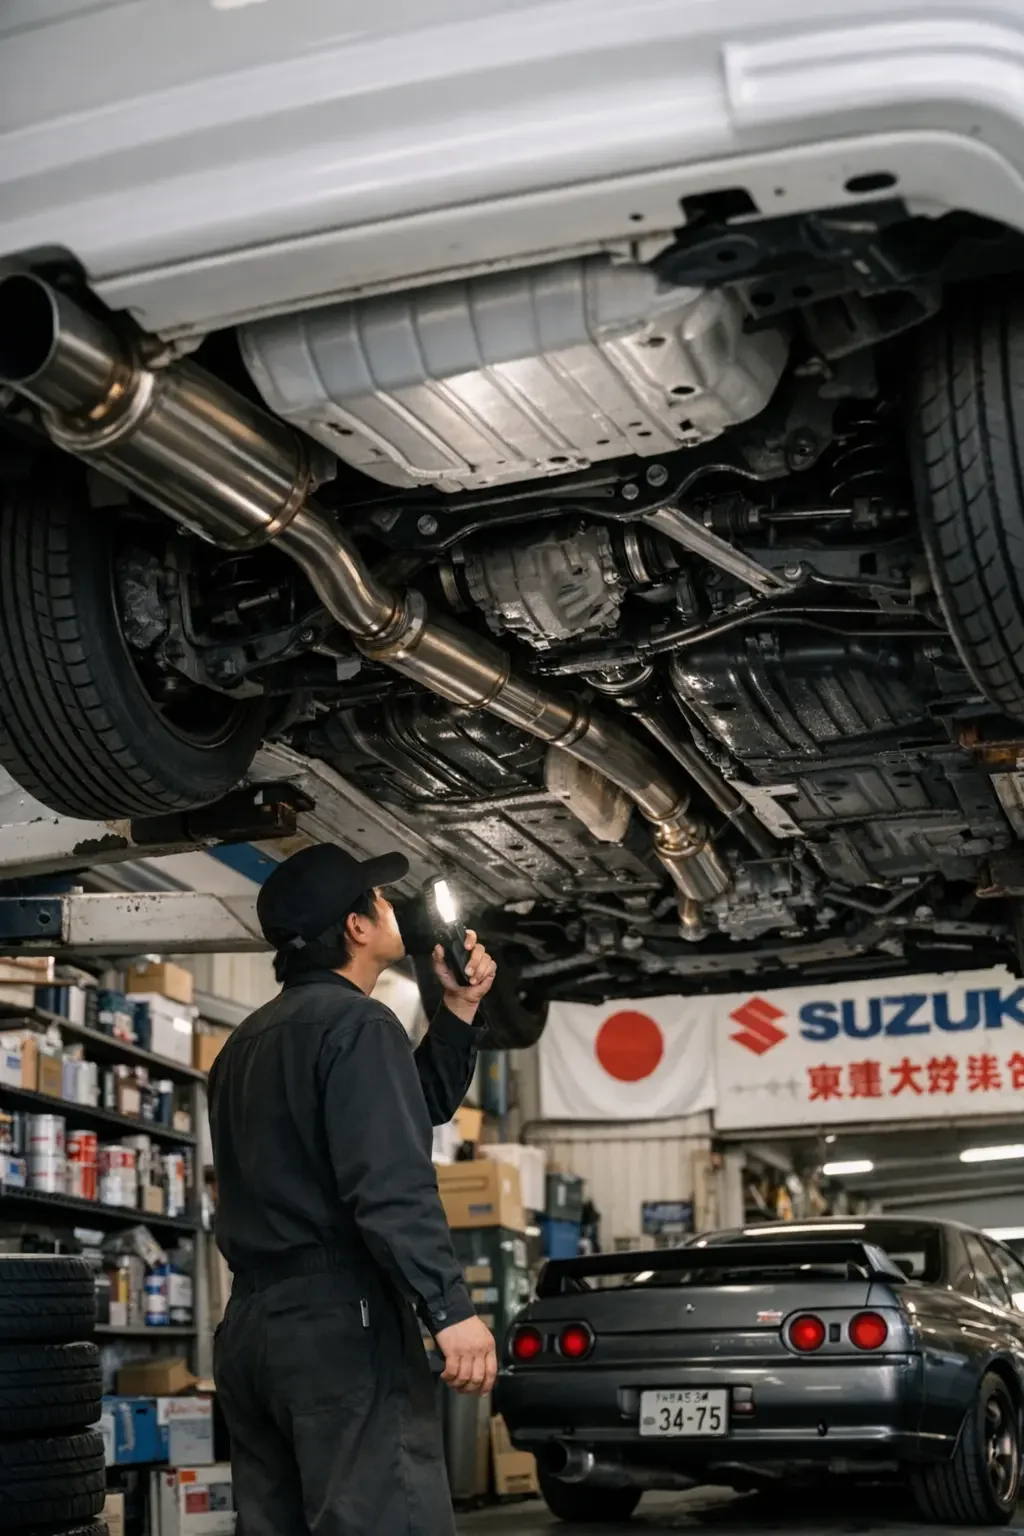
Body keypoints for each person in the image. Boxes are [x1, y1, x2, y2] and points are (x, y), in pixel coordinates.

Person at [209, 842, 498, 1536]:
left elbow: (401, 1106)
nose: (391, 905)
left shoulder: (244, 1043)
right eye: (377, 898)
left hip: (251, 1329)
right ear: (357, 927)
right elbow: (389, 1180)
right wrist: (448, 1307)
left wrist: (456, 1008)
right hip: (340, 1322)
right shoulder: (358, 1024)